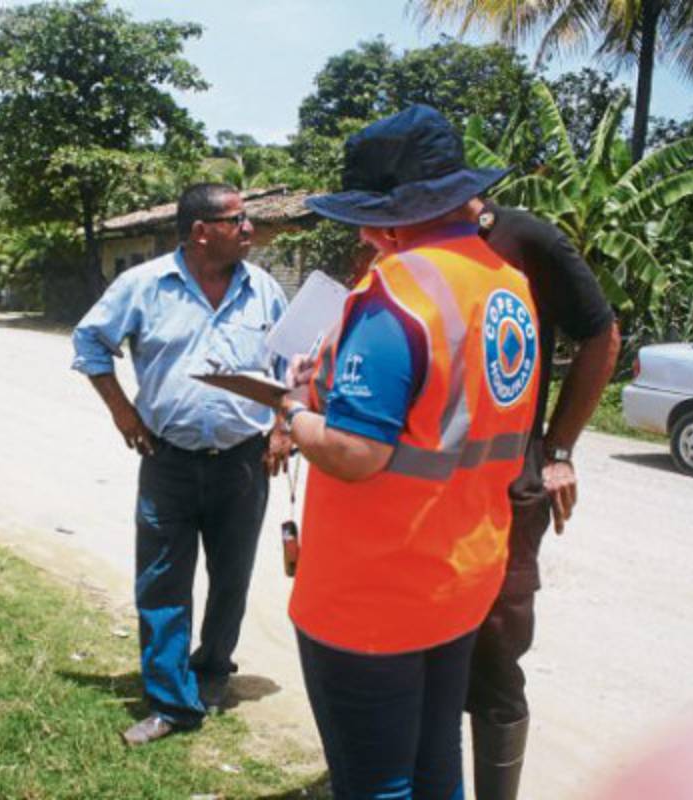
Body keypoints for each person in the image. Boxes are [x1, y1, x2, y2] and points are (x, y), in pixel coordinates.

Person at [278, 105, 541, 798]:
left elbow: (357, 452)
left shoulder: (397, 291)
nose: (362, 233)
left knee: (377, 784)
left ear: (396, 216)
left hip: (373, 592)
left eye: (367, 215)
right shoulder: (508, 285)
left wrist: (295, 413)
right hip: (458, 577)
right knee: (433, 765)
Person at [72, 183, 290, 746]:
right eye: (237, 221)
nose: (250, 230)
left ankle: (213, 669)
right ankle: (170, 700)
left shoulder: (264, 290)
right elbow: (90, 342)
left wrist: (283, 427)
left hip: (244, 462)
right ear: (201, 231)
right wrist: (124, 413)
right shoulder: (143, 287)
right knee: (163, 581)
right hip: (167, 461)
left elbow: (295, 365)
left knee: (231, 577)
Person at [465, 197, 619, 798]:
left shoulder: (524, 238)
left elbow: (602, 334)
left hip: (509, 481)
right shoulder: (402, 244)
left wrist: (557, 450)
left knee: (497, 649)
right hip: (424, 488)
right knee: (425, 651)